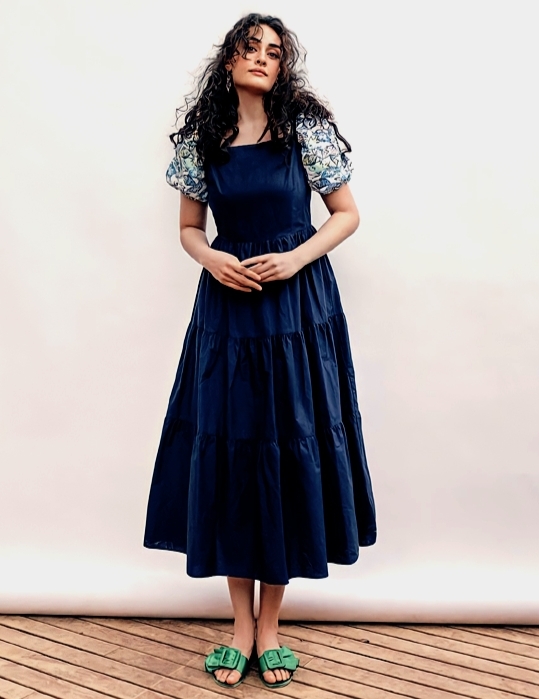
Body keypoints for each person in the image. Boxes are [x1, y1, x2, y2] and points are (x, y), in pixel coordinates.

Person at [144, 12, 377, 690]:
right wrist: (211, 258)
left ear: (283, 67)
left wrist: (295, 258)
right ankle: (238, 627)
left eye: (274, 52)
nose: (262, 58)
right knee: (232, 451)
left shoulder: (305, 131)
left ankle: (269, 626)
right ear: (229, 61)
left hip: (297, 308)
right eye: (251, 48)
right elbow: (189, 229)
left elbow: (346, 214)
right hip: (227, 310)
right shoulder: (203, 141)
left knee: (287, 446)